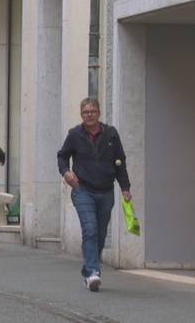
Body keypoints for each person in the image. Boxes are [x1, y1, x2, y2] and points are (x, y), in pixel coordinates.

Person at [57, 98, 132, 292]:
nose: (89, 115)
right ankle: (93, 273)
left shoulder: (111, 134)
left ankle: (88, 268)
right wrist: (66, 172)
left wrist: (125, 187)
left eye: (92, 111)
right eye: (85, 112)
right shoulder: (74, 134)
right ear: (81, 115)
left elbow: (120, 161)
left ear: (99, 113)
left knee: (99, 232)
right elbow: (62, 156)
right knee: (90, 229)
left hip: (106, 190)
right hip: (83, 190)